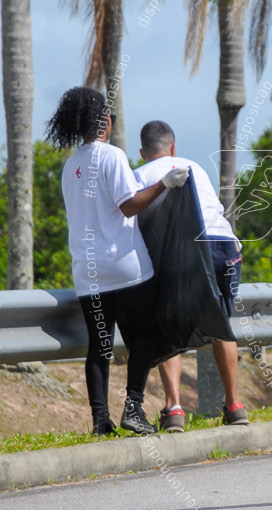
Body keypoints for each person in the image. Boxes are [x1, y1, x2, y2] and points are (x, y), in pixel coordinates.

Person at [45, 87, 190, 436]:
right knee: (142, 337)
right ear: (105, 122)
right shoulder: (112, 156)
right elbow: (129, 205)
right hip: (125, 267)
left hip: (88, 271)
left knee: (100, 345)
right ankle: (134, 408)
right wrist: (164, 184)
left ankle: (99, 420)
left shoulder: (70, 166)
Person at [133, 120, 249, 430]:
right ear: (173, 147)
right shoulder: (192, 165)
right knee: (221, 323)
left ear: (143, 152)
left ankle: (174, 409)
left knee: (166, 324)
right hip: (225, 247)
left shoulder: (139, 176)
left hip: (181, 252)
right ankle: (235, 404)